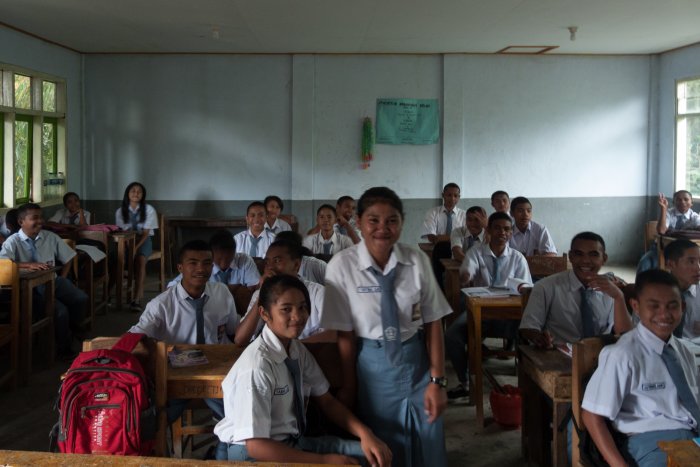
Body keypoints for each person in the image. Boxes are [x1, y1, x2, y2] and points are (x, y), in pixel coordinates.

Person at [321, 186, 451, 467]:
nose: (383, 228)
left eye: (392, 220)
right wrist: (350, 386)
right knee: (385, 446)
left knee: (429, 441)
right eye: (373, 220)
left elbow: (433, 322)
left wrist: (437, 381)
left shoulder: (416, 261)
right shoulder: (341, 267)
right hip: (372, 368)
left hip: (417, 362)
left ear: (402, 222)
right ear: (358, 221)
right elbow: (344, 335)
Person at [214, 275, 392, 466]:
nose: (297, 317)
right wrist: (324, 461)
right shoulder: (257, 366)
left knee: (371, 453)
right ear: (265, 314)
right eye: (286, 310)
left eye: (302, 307)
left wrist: (366, 434)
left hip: (290, 442)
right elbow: (256, 446)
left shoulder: (296, 349)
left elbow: (327, 401)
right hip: (255, 456)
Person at [129, 240, 258, 423]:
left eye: (206, 263)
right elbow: (136, 335)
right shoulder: (161, 304)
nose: (201, 269)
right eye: (193, 263)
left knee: (239, 418)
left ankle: (223, 448)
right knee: (156, 420)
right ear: (180, 267)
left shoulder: (221, 293)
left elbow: (233, 331)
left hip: (218, 373)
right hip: (179, 376)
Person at [581, 269, 700, 467]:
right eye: (654, 306)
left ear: (683, 307)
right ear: (636, 306)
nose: (664, 314)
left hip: (691, 438)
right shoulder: (622, 354)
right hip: (650, 441)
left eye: (672, 306)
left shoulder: (683, 351)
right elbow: (592, 417)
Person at [445, 211, 532, 401]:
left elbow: (526, 287)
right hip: (480, 314)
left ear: (511, 233)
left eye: (507, 229)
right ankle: (466, 382)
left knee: (532, 334)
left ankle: (528, 385)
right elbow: (468, 270)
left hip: (511, 317)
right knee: (452, 336)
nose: (503, 233)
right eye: (498, 228)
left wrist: (523, 289)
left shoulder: (518, 258)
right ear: (489, 230)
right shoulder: (476, 252)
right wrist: (466, 276)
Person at [518, 232, 633, 349]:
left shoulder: (611, 291)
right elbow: (528, 328)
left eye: (593, 255)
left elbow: (626, 335)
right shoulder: (546, 287)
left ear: (604, 258)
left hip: (602, 355)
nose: (585, 261)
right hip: (559, 356)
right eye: (579, 254)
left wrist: (619, 297)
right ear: (570, 257)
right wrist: (540, 338)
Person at [0, 203, 87, 358]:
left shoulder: (50, 237)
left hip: (53, 281)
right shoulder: (12, 242)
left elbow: (68, 257)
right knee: (60, 312)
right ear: (21, 222)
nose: (40, 221)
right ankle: (63, 348)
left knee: (81, 298)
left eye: (41, 217)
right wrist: (28, 264)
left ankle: (73, 327)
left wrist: (63, 277)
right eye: (35, 218)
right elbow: (4, 264)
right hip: (30, 289)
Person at [241, 239, 331, 342]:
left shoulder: (318, 293)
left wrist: (294, 349)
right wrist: (262, 294)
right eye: (267, 263)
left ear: (296, 265)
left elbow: (334, 333)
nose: (270, 268)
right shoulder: (261, 294)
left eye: (277, 261)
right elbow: (240, 339)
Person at [167, 230, 260, 292]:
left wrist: (212, 289)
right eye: (218, 260)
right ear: (211, 255)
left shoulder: (244, 260)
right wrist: (234, 288)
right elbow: (172, 287)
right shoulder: (204, 265)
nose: (223, 264)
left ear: (235, 252)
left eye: (229, 259)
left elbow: (255, 286)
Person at [115, 181, 158, 312]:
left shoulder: (149, 209)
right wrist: (129, 247)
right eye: (133, 191)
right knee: (115, 258)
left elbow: (145, 233)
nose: (136, 193)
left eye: (139, 191)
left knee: (140, 260)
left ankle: (137, 298)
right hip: (126, 240)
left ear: (143, 195)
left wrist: (135, 248)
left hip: (143, 240)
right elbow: (122, 232)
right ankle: (111, 295)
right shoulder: (120, 211)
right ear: (127, 194)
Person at [664, 239, 700, 339]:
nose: (698, 267)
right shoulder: (653, 294)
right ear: (670, 265)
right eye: (691, 261)